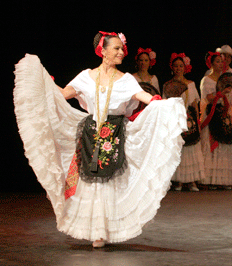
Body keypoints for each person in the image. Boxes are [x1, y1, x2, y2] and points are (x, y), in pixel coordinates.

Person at [13, 31, 187, 248]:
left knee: (110, 181)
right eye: (116, 48)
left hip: (115, 132)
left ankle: (107, 231)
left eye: (121, 49)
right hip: (91, 132)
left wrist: (162, 104)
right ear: (102, 51)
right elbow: (63, 94)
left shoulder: (126, 80)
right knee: (92, 183)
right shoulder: (85, 76)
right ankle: (96, 231)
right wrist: (43, 82)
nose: (121, 52)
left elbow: (145, 98)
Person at [163, 53, 204, 191]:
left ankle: (192, 181)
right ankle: (178, 181)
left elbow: (194, 104)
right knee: (178, 149)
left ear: (185, 67)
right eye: (176, 66)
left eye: (181, 66)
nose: (178, 68)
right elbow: (165, 104)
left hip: (189, 119)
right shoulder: (167, 85)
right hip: (174, 118)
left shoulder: (191, 84)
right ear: (172, 67)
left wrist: (197, 122)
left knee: (191, 148)